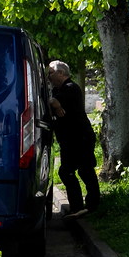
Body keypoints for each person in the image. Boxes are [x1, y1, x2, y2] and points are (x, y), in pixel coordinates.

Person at [47, 60, 100, 218]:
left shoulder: (71, 88)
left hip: (80, 138)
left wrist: (56, 104)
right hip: (69, 139)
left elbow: (54, 101)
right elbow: (51, 102)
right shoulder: (58, 90)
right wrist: (54, 104)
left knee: (80, 170)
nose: (48, 77)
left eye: (51, 73)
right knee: (72, 171)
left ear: (61, 73)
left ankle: (88, 206)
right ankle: (80, 206)